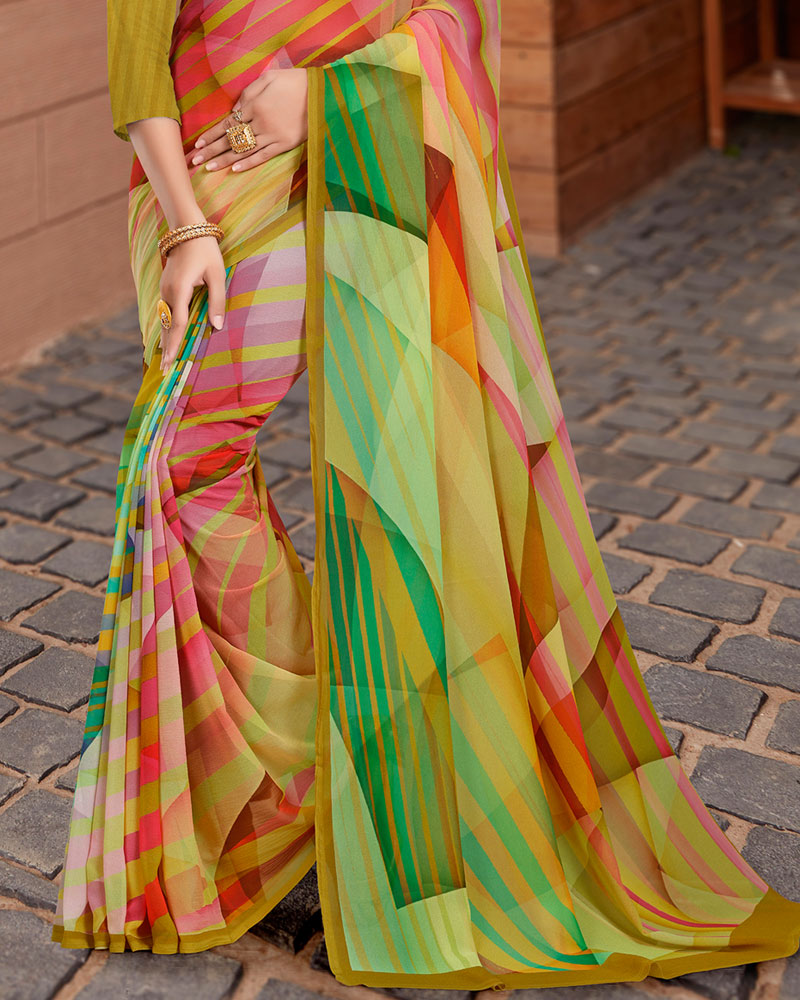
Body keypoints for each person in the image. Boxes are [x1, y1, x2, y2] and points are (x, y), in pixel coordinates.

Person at [51, 0, 800, 988]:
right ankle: (298, 749)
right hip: (209, 185)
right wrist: (186, 220)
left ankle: (327, 760)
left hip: (345, 158)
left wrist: (323, 97)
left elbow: (447, 15)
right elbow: (137, 57)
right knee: (182, 463)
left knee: (315, 465)